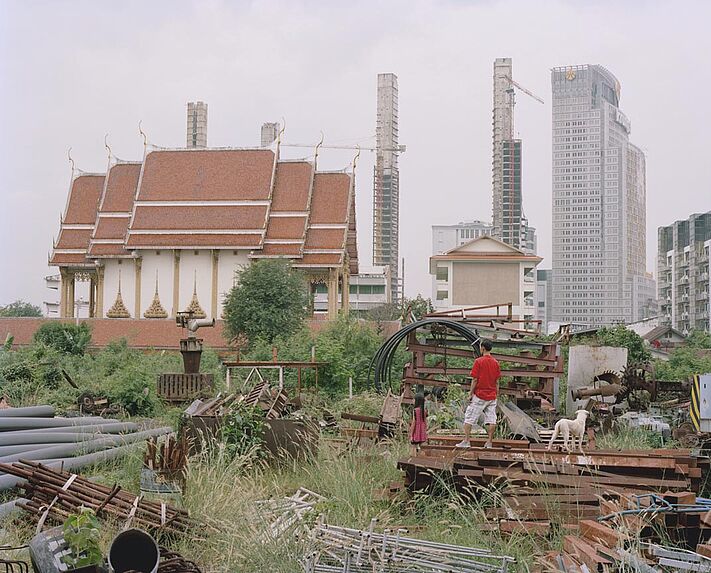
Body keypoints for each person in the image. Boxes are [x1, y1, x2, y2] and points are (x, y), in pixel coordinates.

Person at [456, 339, 500, 449]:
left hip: (480, 394)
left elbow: (475, 379)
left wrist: (470, 393)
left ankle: (466, 441)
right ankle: (489, 442)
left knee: (469, 417)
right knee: (491, 419)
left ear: (483, 348)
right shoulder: (496, 362)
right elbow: (497, 381)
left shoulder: (478, 361)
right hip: (492, 395)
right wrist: (496, 394)